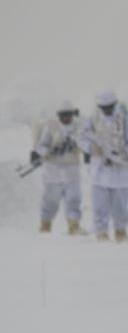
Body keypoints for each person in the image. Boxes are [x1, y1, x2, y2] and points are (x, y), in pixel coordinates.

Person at [79, 91, 128, 241]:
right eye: (103, 107)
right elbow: (82, 138)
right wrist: (91, 148)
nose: (106, 110)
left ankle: (120, 231)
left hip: (120, 170)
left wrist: (123, 154)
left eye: (109, 107)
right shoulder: (93, 119)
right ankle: (101, 233)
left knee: (121, 206)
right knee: (99, 206)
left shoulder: (125, 120)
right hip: (99, 171)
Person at [31, 100, 84, 234]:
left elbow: (84, 142)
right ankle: (45, 226)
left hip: (71, 172)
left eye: (68, 114)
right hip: (52, 172)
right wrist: (50, 151)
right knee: (50, 201)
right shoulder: (51, 127)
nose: (66, 117)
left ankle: (74, 226)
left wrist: (74, 145)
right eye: (63, 114)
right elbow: (41, 146)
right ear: (59, 115)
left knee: (73, 200)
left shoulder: (78, 127)